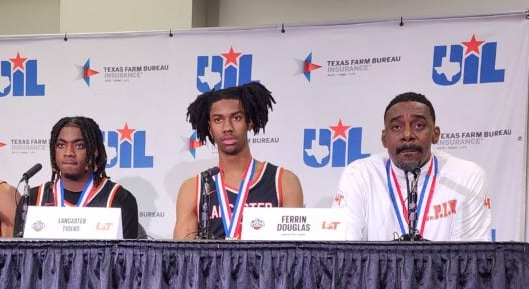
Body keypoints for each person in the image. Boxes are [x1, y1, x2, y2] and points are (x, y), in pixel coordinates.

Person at [332, 92, 492, 241]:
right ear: (384, 139)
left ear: (435, 134)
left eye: (418, 125)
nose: (407, 135)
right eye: (396, 127)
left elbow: (469, 259)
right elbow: (344, 253)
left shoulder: (466, 177)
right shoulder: (359, 175)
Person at [173, 82, 303, 240]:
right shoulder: (193, 188)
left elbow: (294, 255)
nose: (227, 127)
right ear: (209, 128)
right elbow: (183, 259)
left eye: (236, 118)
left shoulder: (283, 181)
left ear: (250, 122)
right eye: (218, 120)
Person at [28, 116, 139, 239]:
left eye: (79, 146)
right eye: (61, 145)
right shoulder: (33, 199)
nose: (68, 153)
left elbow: (128, 256)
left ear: (95, 151)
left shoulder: (119, 199)